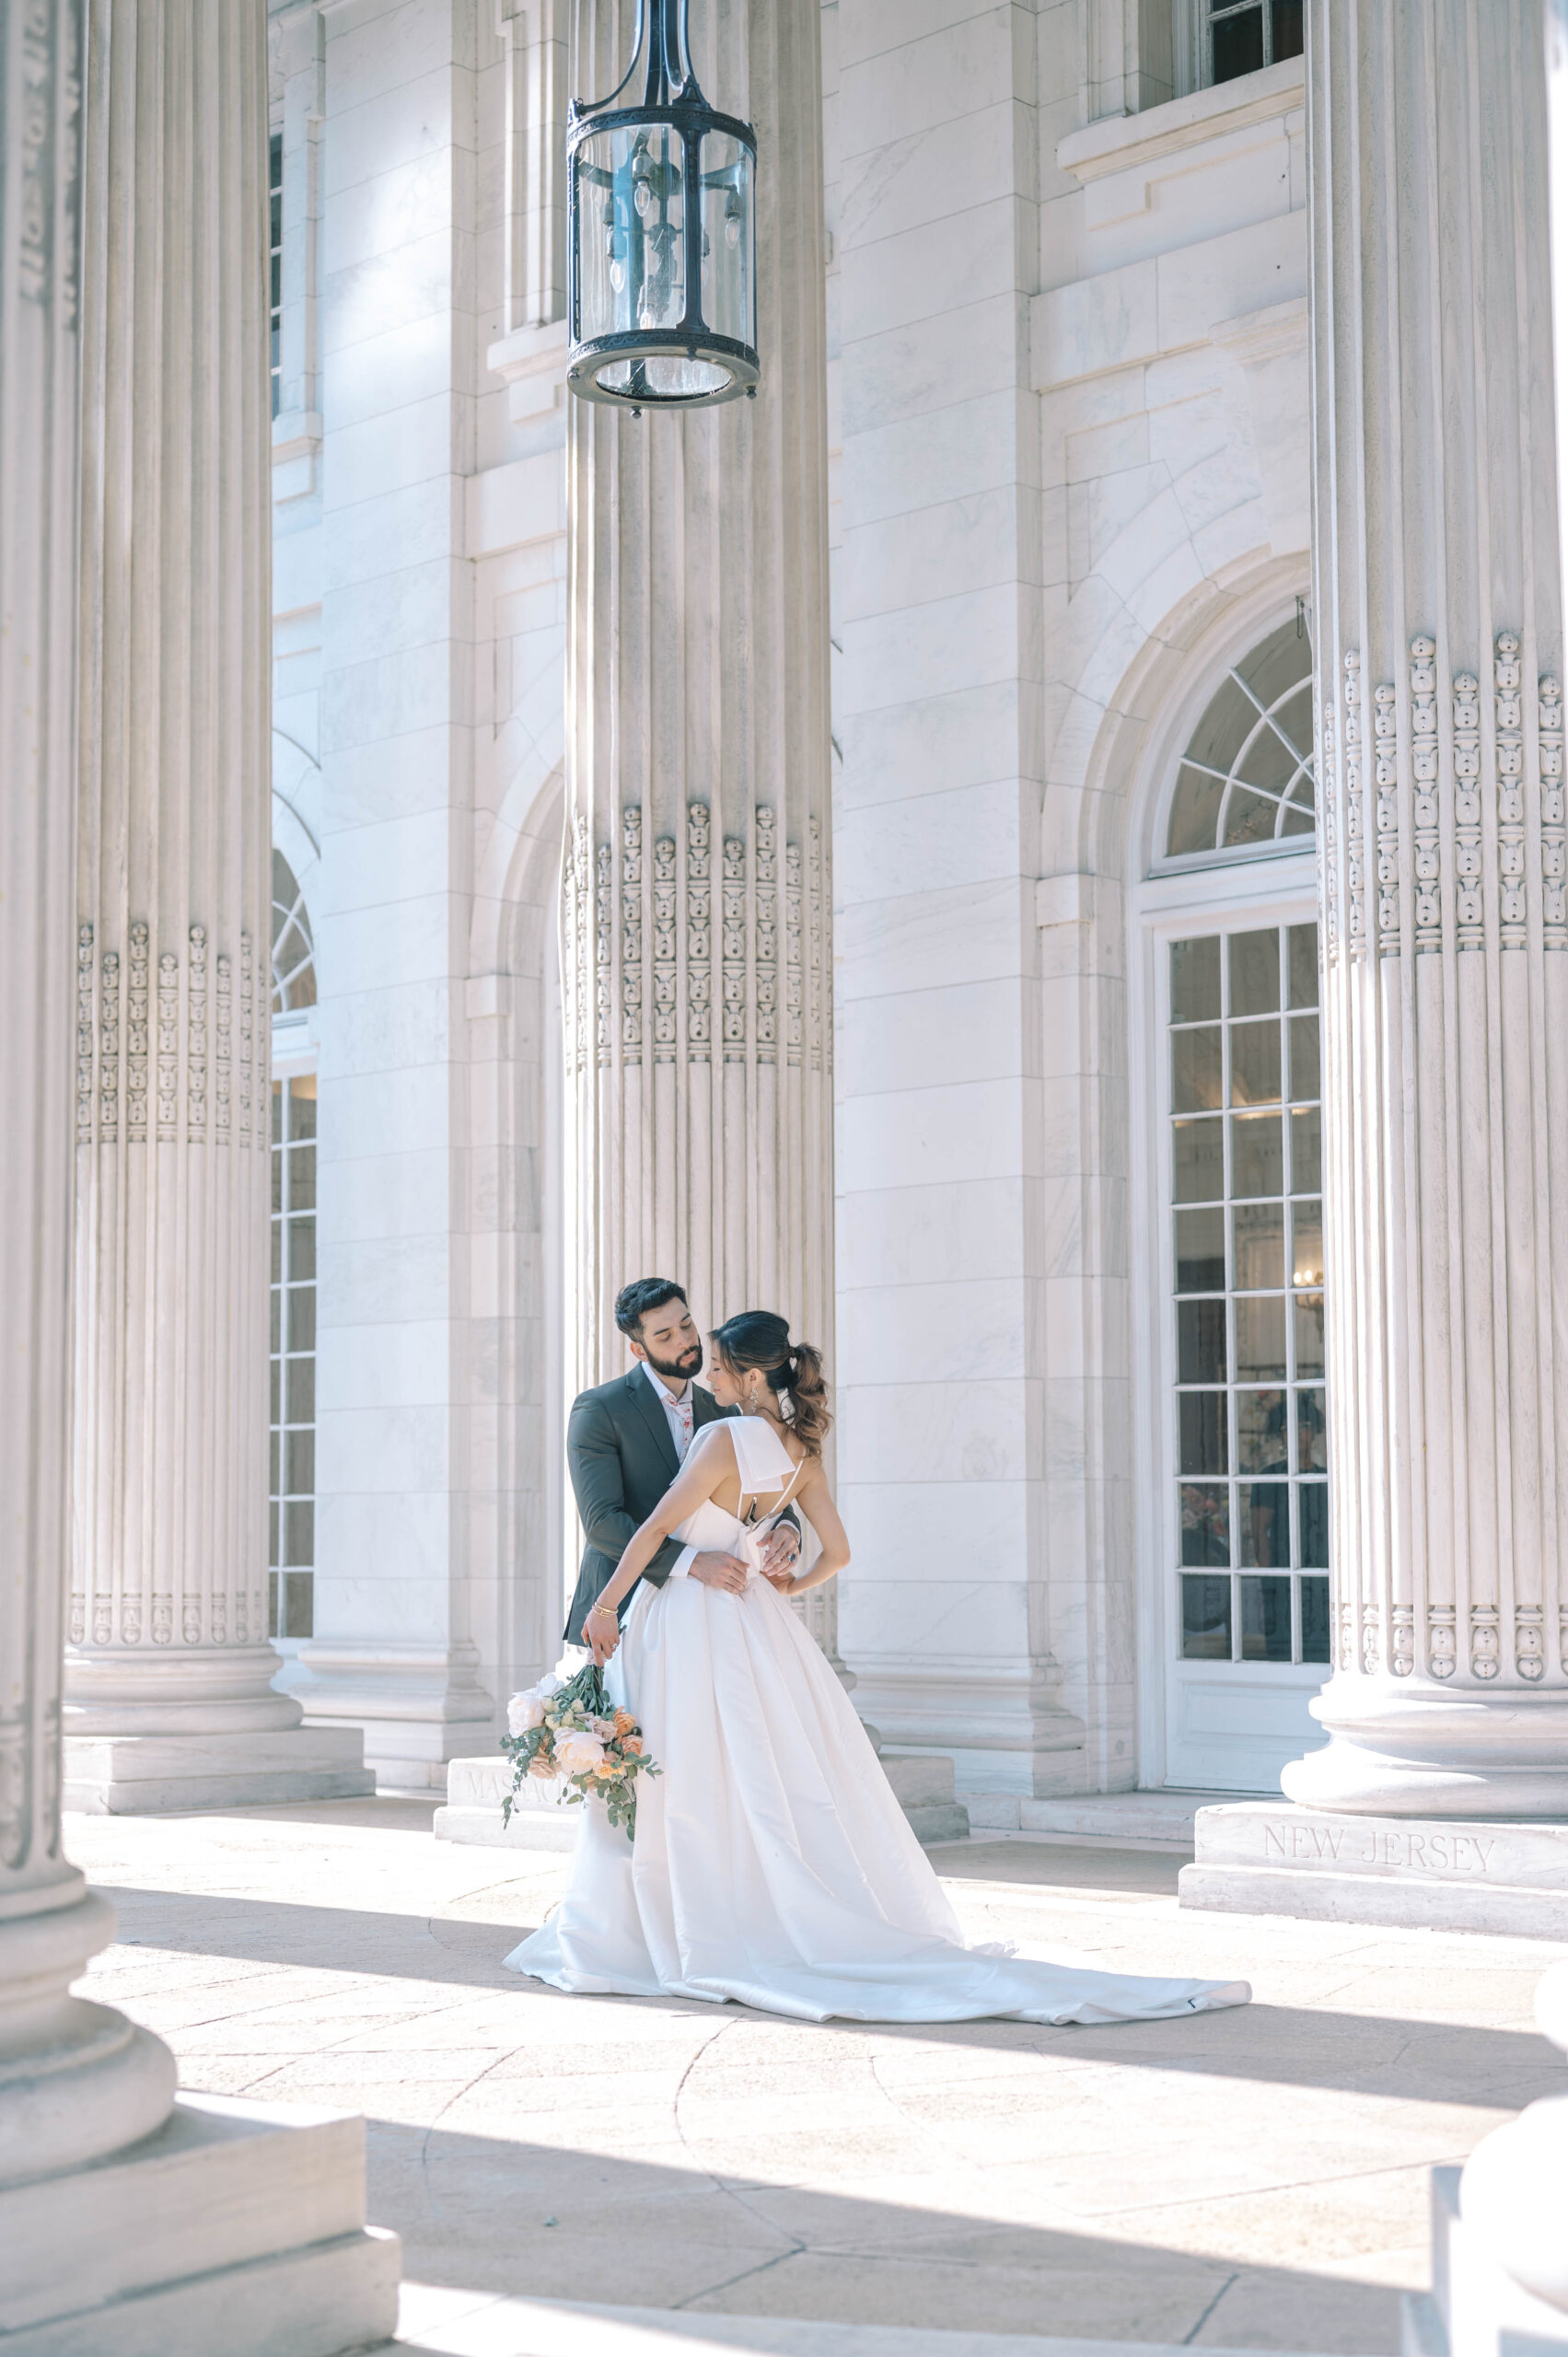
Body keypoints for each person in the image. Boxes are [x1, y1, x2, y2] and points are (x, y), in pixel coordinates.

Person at [505, 1312, 1250, 2028]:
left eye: (724, 1366)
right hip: (755, 1624)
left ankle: (666, 1923)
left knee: (683, 1769)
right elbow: (839, 1552)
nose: (713, 1373)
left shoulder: (720, 1437)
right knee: (750, 1770)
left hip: (684, 1625)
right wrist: (787, 1584)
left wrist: (606, 1607)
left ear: (748, 1374)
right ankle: (733, 1906)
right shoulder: (800, 1450)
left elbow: (654, 1528)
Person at [561, 1278, 800, 1654]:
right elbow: (603, 1524)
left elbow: (766, 1486)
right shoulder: (599, 1410)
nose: (685, 1341)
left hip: (707, 1616)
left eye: (686, 1325)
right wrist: (692, 1563)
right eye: (665, 1335)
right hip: (619, 1615)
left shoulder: (724, 1405)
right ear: (638, 1349)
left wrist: (787, 1526)